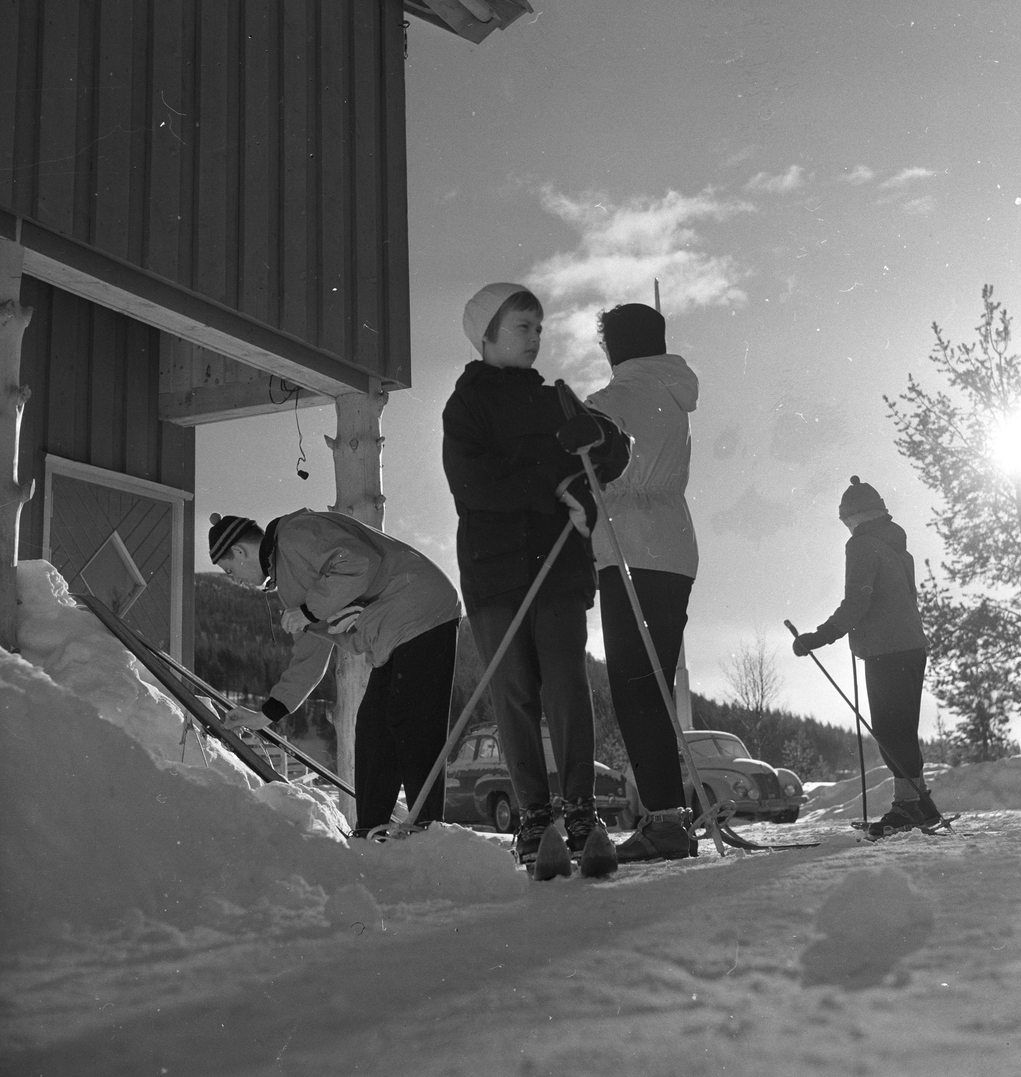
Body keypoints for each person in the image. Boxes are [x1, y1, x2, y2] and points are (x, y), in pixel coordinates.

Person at [442, 282, 629, 866]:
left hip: (557, 566)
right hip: (494, 571)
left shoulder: (557, 399)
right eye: (522, 327)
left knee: (566, 683)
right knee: (515, 690)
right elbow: (474, 483)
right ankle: (533, 817)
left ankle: (579, 811)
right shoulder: (465, 406)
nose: (535, 337)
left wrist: (595, 445)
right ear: (487, 335)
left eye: (539, 328)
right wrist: (555, 484)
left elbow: (614, 448)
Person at [210, 508, 461, 834]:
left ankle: (431, 832)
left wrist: (309, 610)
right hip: (392, 630)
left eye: (231, 570)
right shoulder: (288, 583)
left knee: (411, 722)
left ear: (241, 551)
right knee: (373, 728)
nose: (236, 580)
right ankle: (371, 832)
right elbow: (309, 657)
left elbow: (359, 563)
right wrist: (266, 714)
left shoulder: (296, 532)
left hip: (421, 606)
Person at [584, 303, 699, 862]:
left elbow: (585, 465)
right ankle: (670, 815)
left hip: (631, 548)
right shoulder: (673, 392)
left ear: (615, 348)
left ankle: (665, 820)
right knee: (652, 683)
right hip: (674, 547)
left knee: (635, 688)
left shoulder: (615, 398)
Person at [790, 476, 942, 838]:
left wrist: (818, 638)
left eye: (845, 519)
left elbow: (857, 602)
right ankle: (922, 803)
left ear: (854, 517)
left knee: (890, 730)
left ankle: (906, 807)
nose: (845, 526)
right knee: (902, 727)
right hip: (911, 646)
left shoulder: (860, 546)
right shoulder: (897, 547)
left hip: (886, 649)